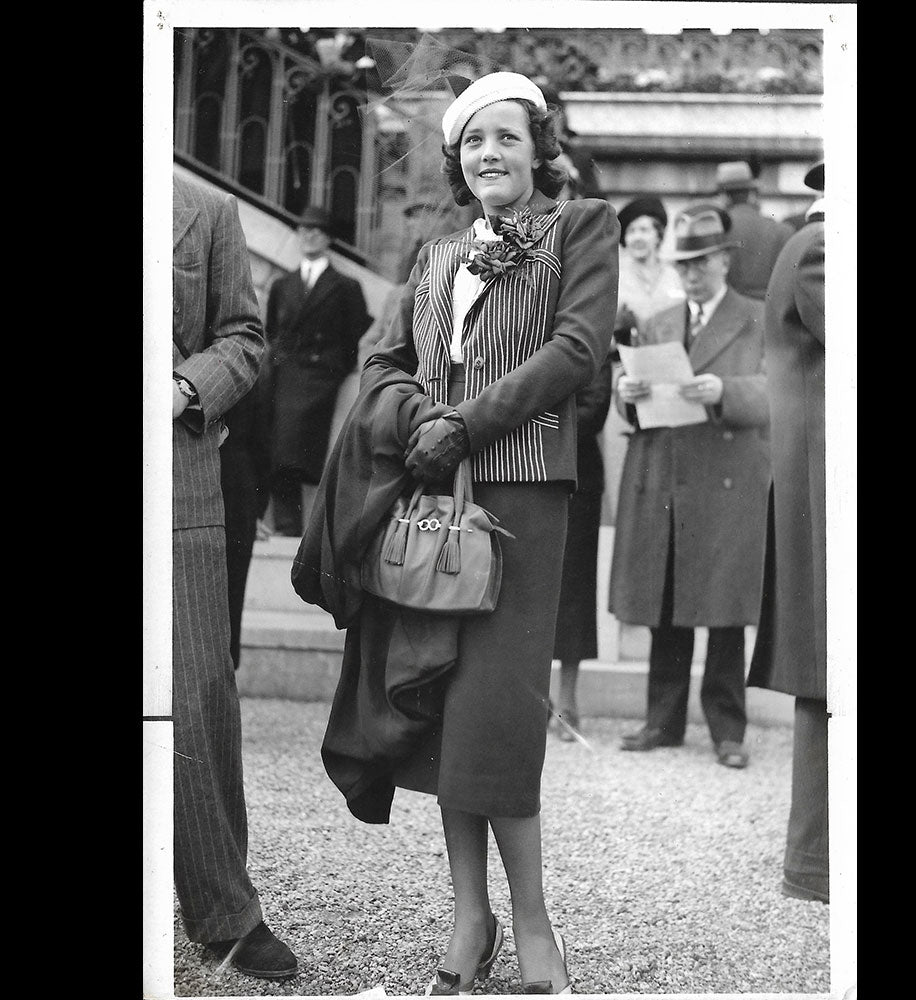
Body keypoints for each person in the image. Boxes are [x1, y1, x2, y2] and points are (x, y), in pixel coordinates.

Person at [294, 70, 619, 995]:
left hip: (521, 502)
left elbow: (577, 349)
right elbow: (382, 361)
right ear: (457, 156)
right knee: (439, 712)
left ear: (539, 147)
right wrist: (413, 422)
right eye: (474, 141)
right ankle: (468, 922)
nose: (490, 154)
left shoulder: (580, 227)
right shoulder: (435, 253)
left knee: (497, 715)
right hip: (431, 504)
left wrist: (468, 421)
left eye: (507, 137)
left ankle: (533, 924)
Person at [172, 173, 297, 978]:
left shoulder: (206, 211)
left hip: (175, 479)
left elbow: (245, 339)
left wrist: (185, 387)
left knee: (196, 693)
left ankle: (225, 914)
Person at [608, 204, 770, 768]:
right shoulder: (660, 321)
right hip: (672, 477)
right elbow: (636, 402)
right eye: (685, 263)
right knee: (667, 601)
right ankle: (663, 720)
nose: (692, 272)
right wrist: (624, 394)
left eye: (702, 261)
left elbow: (779, 394)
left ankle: (729, 729)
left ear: (725, 260)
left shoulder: (759, 317)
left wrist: (724, 389)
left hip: (726, 482)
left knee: (724, 611)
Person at [747, 159, 828, 903]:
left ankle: (822, 864)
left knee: (830, 681)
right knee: (829, 679)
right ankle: (818, 865)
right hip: (825, 498)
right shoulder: (823, 248)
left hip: (823, 492)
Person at [265, 205, 373, 536]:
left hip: (321, 377)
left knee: (301, 450)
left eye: (317, 230)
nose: (309, 235)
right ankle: (288, 524)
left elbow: (354, 330)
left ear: (328, 238)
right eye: (304, 229)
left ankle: (301, 527)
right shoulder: (284, 284)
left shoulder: (344, 286)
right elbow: (273, 330)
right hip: (287, 374)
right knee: (280, 449)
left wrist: (336, 366)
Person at [549, 353, 613, 741]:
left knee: (573, 595)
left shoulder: (593, 345)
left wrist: (531, 420)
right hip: (523, 473)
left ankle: (568, 703)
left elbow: (593, 410)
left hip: (577, 480)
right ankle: (528, 700)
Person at [219, 378, 271, 670]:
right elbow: (263, 445)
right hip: (238, 484)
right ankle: (226, 670)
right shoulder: (243, 375)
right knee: (231, 591)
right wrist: (258, 509)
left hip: (225, 478)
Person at [714, 160, 794, 301]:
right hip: (769, 315)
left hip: (729, 315)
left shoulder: (716, 232)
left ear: (724, 197)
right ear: (751, 194)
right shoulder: (783, 231)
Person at [613, 196, 685, 340]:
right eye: (631, 231)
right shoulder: (616, 278)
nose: (637, 237)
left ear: (658, 235)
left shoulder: (674, 275)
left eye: (644, 230)